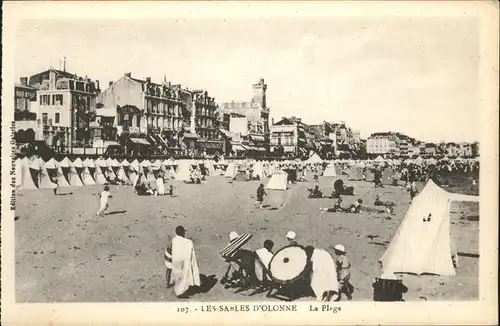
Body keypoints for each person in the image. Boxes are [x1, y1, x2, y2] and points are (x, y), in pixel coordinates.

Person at [168, 226, 201, 297]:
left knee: (177, 274)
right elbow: (191, 254)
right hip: (184, 260)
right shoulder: (188, 242)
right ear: (183, 233)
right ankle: (181, 291)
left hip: (176, 260)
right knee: (185, 274)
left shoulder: (174, 240)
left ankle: (177, 288)